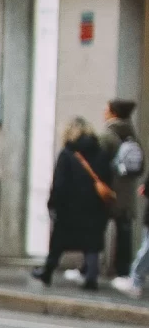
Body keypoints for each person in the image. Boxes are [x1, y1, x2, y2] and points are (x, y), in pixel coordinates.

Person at [34, 118, 111, 288]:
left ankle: (47, 272)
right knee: (92, 243)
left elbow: (59, 184)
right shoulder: (101, 153)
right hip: (94, 206)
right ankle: (91, 278)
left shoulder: (67, 154)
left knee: (58, 241)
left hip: (69, 207)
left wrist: (52, 203)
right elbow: (107, 179)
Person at [100, 98, 142, 278]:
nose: (104, 111)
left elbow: (99, 162)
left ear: (113, 113)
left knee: (96, 227)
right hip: (127, 192)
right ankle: (123, 269)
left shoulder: (109, 134)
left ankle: (92, 265)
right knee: (124, 230)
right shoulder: (132, 134)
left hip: (108, 190)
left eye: (107, 109)